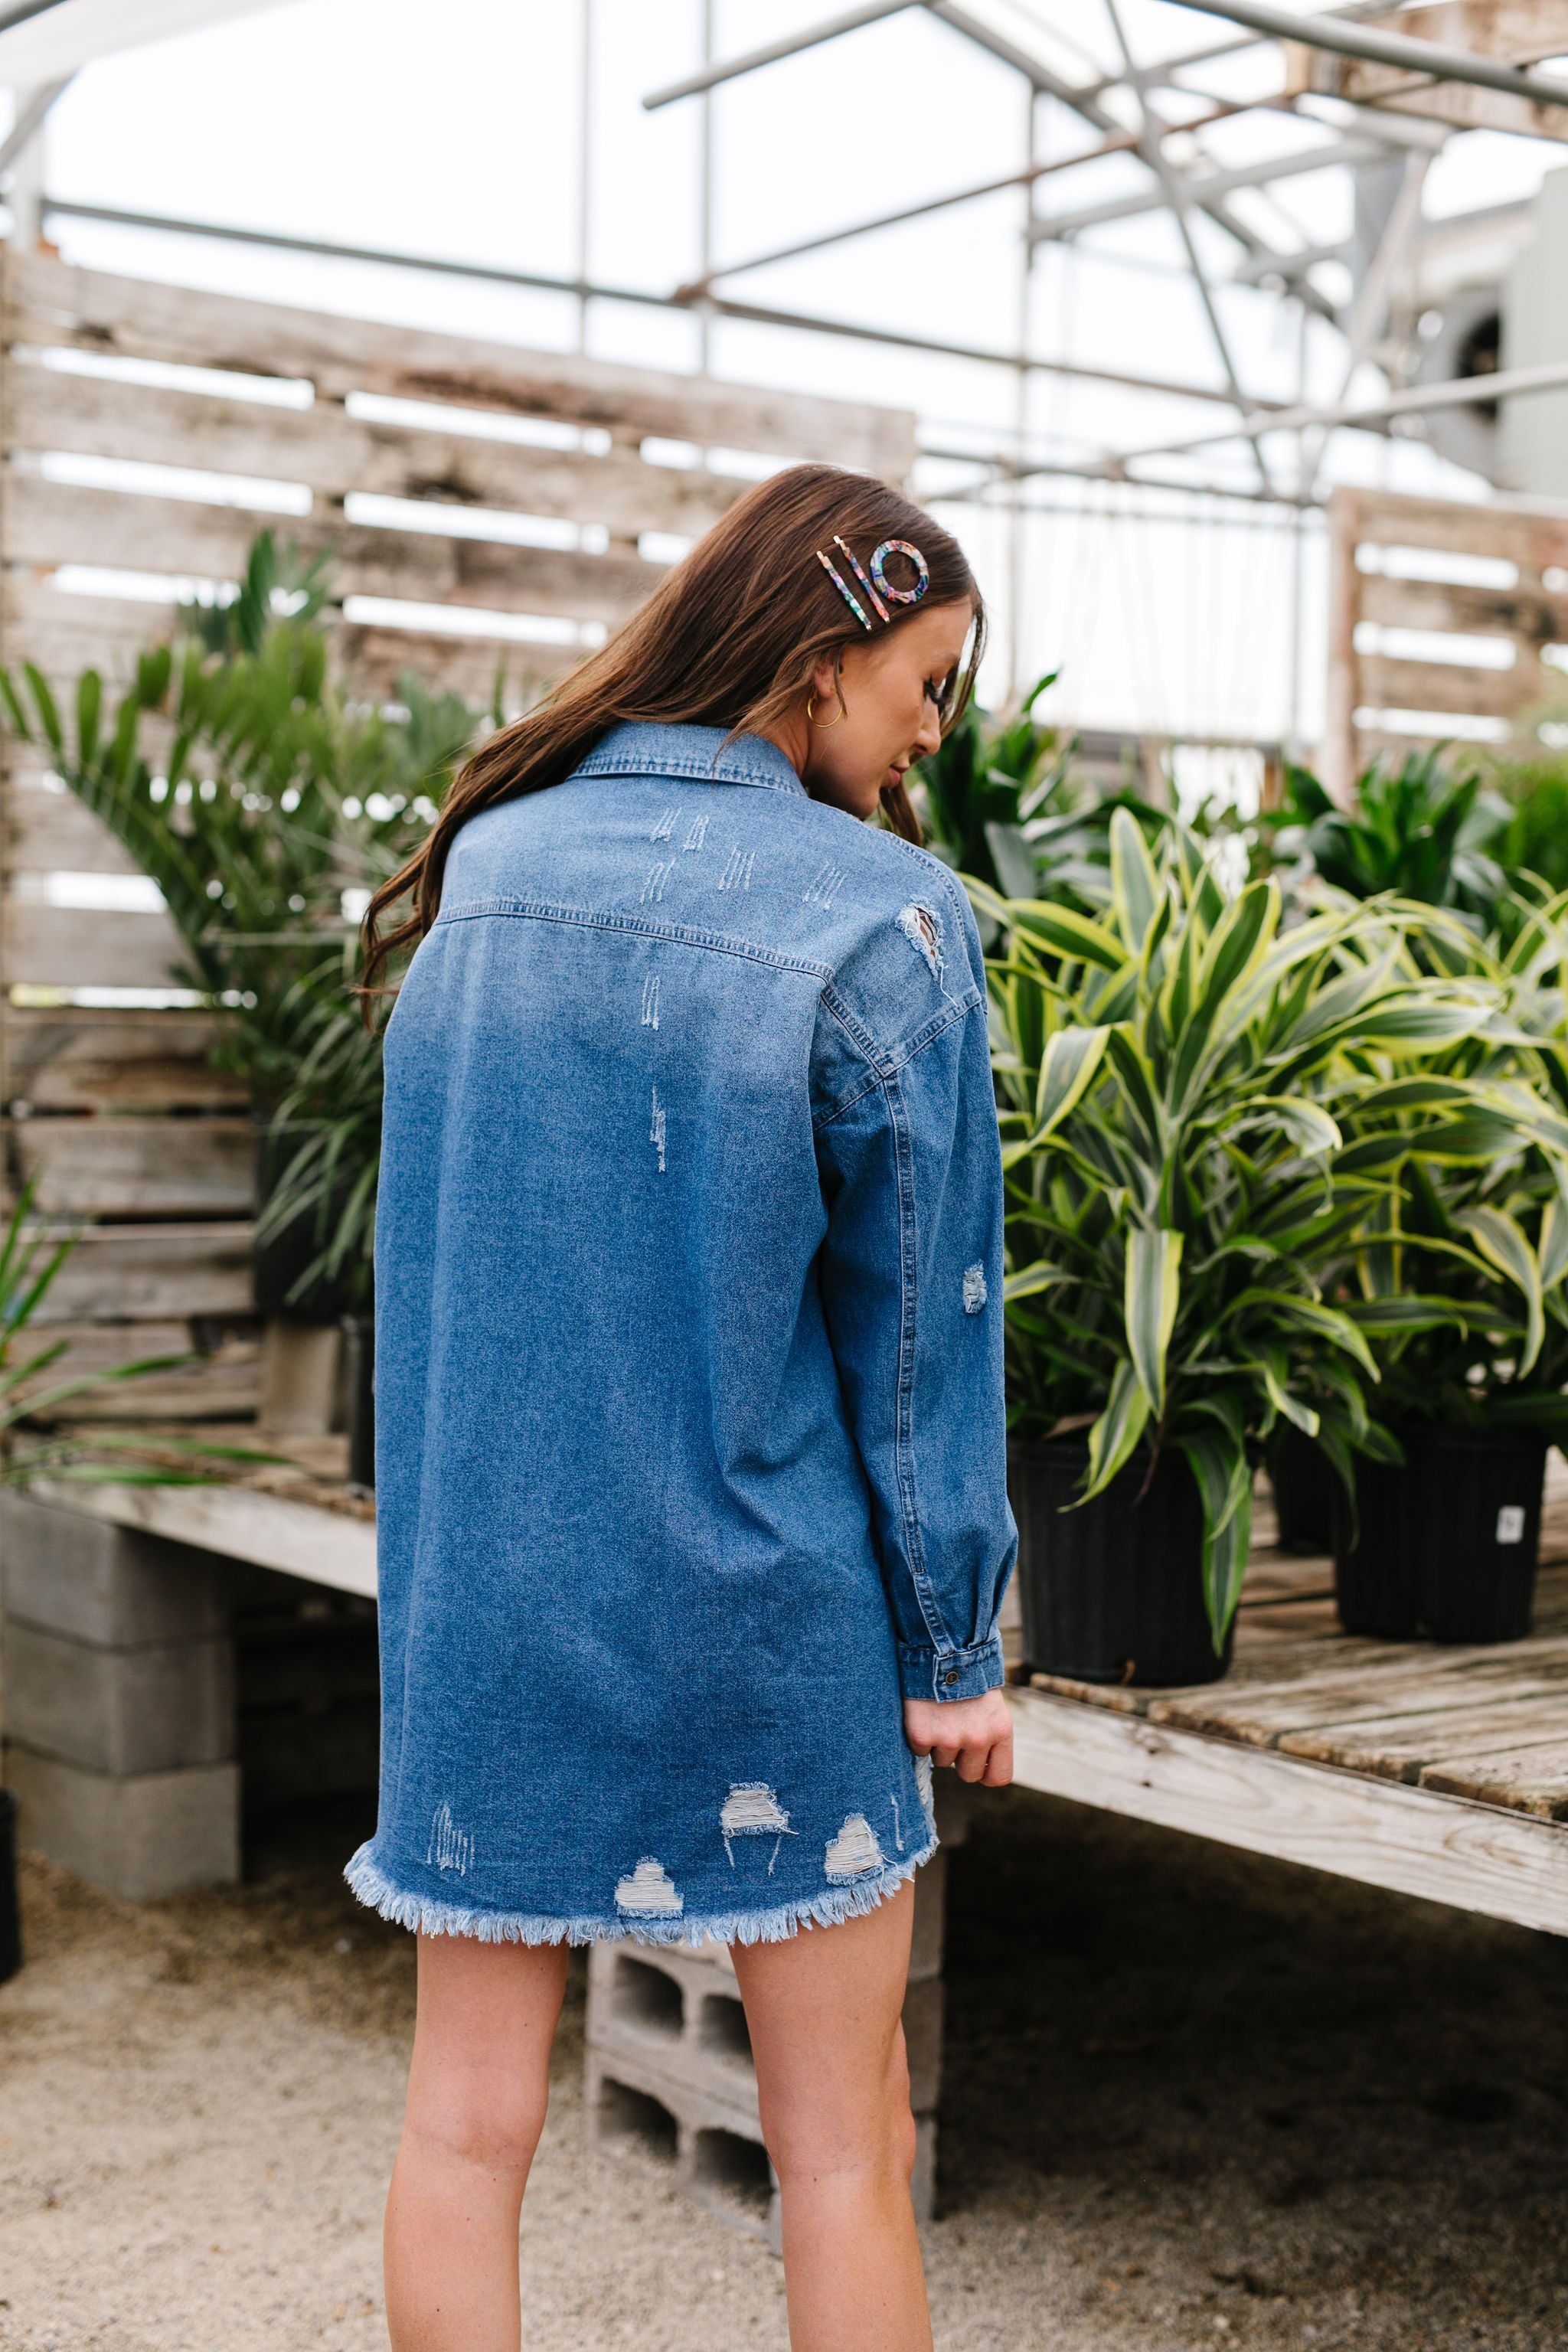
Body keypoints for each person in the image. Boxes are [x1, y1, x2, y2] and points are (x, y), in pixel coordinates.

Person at [352, 461, 1016, 2352]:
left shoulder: (496, 867)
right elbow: (923, 1329)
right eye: (927, 683)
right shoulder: (885, 919)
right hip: (766, 1619)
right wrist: (954, 1649)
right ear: (822, 660)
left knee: (462, 2129)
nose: (934, 732)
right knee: (844, 2147)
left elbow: (437, 1263)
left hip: (491, 1610)